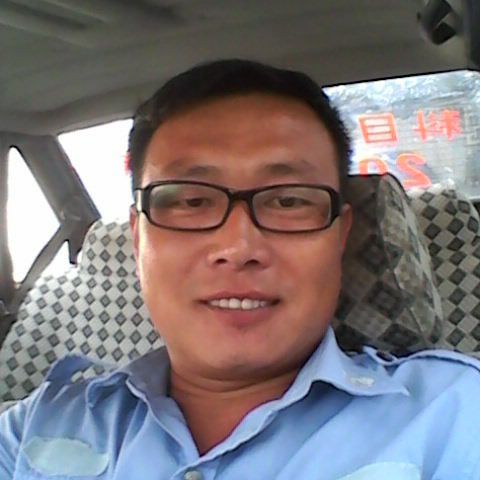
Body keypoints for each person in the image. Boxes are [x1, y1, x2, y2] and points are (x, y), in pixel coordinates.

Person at [1, 59, 479, 479]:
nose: (238, 247)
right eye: (191, 201)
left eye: (288, 201)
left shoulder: (457, 415)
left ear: (340, 236)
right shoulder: (33, 427)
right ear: (138, 237)